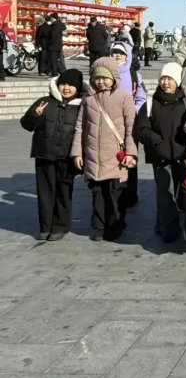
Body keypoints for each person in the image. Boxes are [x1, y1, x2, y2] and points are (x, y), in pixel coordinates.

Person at [71, 57, 137, 242]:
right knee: (97, 194)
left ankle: (116, 224)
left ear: (114, 78)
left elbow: (131, 127)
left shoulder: (124, 98)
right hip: (94, 156)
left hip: (115, 156)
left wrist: (130, 152)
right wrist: (77, 152)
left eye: (105, 78)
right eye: (97, 78)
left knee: (115, 194)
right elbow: (80, 127)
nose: (101, 81)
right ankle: (99, 227)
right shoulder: (88, 100)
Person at [20, 67, 83, 240]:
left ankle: (60, 226)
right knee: (45, 192)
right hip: (44, 154)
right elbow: (26, 125)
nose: (66, 88)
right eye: (63, 84)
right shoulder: (45, 102)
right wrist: (34, 115)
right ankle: (45, 226)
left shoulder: (81, 106)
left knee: (63, 192)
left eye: (71, 85)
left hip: (67, 157)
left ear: (77, 88)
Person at [134, 62, 186, 242]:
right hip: (160, 156)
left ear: (177, 81)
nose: (166, 83)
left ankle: (169, 223)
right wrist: (158, 142)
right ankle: (169, 229)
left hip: (181, 155)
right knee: (164, 193)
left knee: (183, 191)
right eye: (163, 78)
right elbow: (141, 129)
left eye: (170, 79)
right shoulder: (150, 104)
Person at [110, 41, 147, 208]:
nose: (117, 55)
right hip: (109, 124)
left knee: (130, 157)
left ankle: (130, 194)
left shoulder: (134, 76)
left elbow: (141, 98)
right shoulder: (105, 72)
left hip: (129, 124)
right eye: (114, 52)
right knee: (111, 157)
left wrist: (132, 111)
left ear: (128, 56)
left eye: (121, 53)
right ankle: (113, 191)